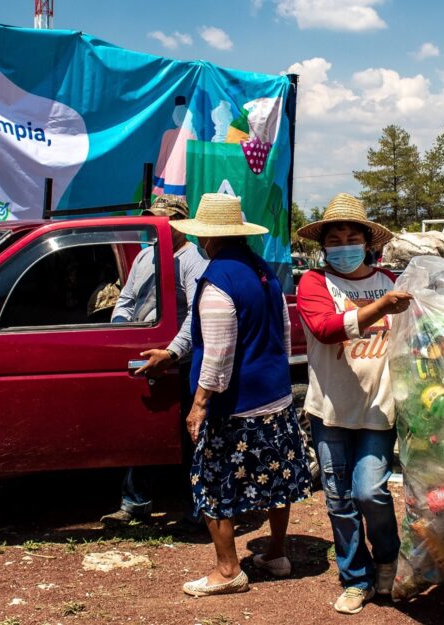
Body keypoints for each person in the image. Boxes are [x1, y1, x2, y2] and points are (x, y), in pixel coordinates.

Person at [172, 193, 313, 597]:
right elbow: (284, 331)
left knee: (214, 484)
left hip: (233, 406)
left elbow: (218, 352)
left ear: (206, 238)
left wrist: (199, 404)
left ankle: (227, 568)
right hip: (275, 396)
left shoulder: (217, 279)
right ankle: (277, 553)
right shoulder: (263, 270)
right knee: (276, 478)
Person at [295, 193, 413, 615]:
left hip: (379, 409)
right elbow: (326, 329)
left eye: (352, 237)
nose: (343, 245)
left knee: (370, 492)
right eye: (335, 239)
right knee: (339, 501)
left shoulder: (391, 282)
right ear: (323, 247)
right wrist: (380, 307)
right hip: (329, 409)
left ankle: (387, 557)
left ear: (367, 242)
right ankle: (355, 578)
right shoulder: (313, 283)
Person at [100, 195, 209, 528]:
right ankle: (135, 503)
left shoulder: (193, 260)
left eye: (161, 219)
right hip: (146, 359)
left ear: (177, 223)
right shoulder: (145, 257)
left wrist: (172, 352)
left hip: (183, 361)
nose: (154, 224)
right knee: (142, 429)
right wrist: (123, 334)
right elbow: (126, 301)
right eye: (151, 218)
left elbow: (197, 315)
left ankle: (197, 509)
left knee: (190, 435)